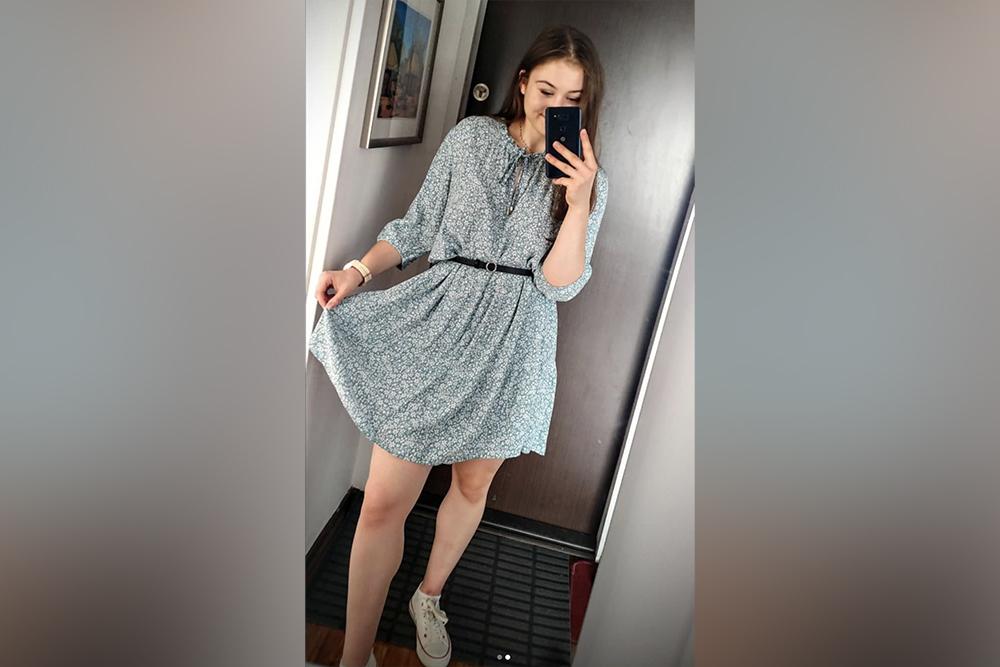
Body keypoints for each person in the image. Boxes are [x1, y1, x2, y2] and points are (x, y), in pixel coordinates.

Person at [310, 24, 609, 667]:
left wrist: (580, 201)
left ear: (585, 105)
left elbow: (560, 284)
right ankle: (354, 657)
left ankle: (429, 596)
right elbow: (417, 226)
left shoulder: (588, 181)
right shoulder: (471, 139)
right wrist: (358, 270)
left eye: (572, 97)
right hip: (439, 325)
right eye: (545, 88)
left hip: (514, 344)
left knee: (472, 487)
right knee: (382, 503)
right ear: (523, 83)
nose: (554, 105)